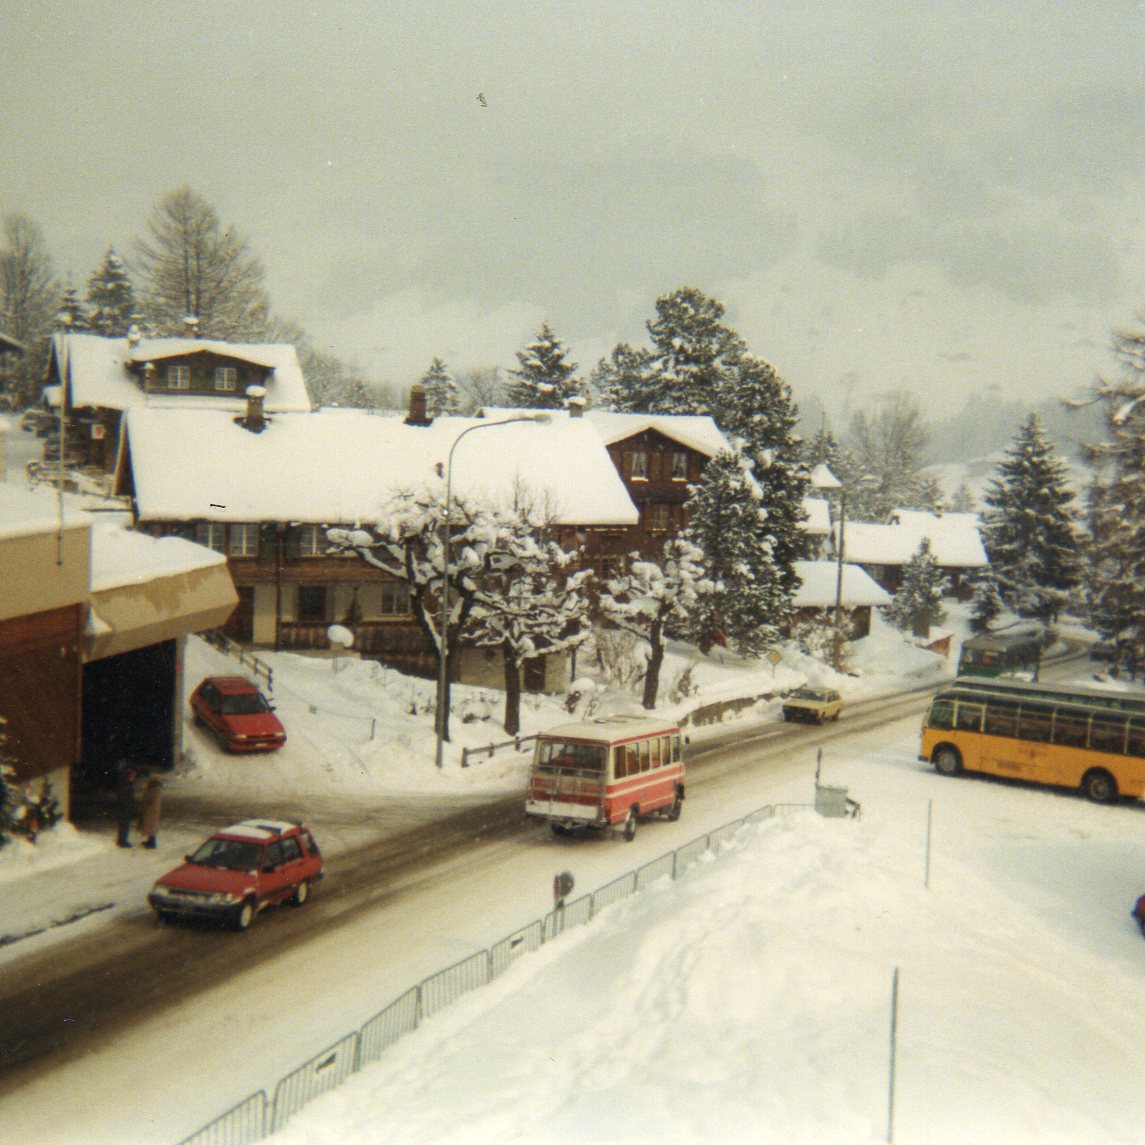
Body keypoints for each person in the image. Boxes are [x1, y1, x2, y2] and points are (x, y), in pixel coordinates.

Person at [115, 764, 138, 848]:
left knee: (123, 824)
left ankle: (121, 840)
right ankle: (122, 841)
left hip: (125, 806)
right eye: (133, 774)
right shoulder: (126, 783)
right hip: (125, 806)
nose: (134, 776)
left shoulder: (126, 782)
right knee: (125, 824)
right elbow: (126, 796)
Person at [138, 777, 163, 849]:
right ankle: (150, 841)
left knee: (151, 827)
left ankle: (152, 844)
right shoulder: (153, 790)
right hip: (150, 812)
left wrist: (147, 808)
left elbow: (154, 802)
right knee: (151, 827)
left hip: (151, 812)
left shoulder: (155, 790)